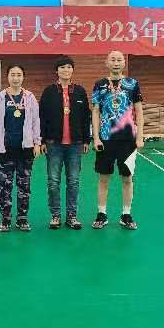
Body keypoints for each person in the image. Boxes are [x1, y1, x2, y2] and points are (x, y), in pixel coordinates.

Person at [91, 50, 144, 230]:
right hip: (105, 139)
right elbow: (96, 112)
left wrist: (139, 136)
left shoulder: (132, 84)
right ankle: (101, 214)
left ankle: (126, 214)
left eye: (119, 59)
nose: (116, 62)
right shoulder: (99, 84)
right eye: (112, 59)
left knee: (127, 178)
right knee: (103, 178)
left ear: (124, 63)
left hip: (127, 140)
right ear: (107, 63)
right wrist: (96, 137)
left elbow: (139, 111)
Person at [39, 55, 91, 230]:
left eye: (69, 67)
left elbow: (85, 118)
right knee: (53, 181)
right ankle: (55, 215)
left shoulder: (80, 91)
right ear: (57, 71)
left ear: (73, 70)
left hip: (75, 145)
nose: (66, 70)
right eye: (62, 67)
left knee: (73, 181)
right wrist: (42, 140)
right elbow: (42, 117)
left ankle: (71, 216)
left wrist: (86, 139)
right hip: (53, 144)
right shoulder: (49, 92)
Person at [0, 65, 41, 232]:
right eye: (13, 74)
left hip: (25, 149)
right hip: (5, 150)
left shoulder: (30, 97)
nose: (16, 78)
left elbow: (36, 122)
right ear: (7, 77)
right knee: (5, 186)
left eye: (19, 75)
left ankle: (22, 218)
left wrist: (37, 143)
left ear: (23, 77)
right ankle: (5, 219)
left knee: (24, 186)